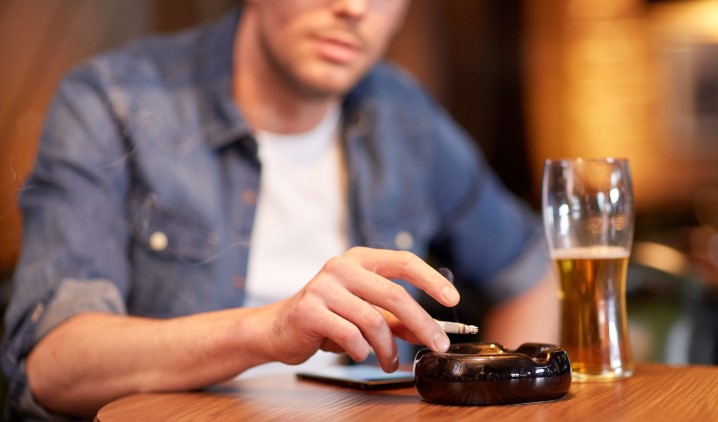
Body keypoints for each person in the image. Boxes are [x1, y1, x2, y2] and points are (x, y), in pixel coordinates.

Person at [2, 0, 558, 419]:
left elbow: (529, 270)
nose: (355, 8)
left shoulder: (402, 116)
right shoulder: (112, 102)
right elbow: (52, 362)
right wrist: (269, 330)